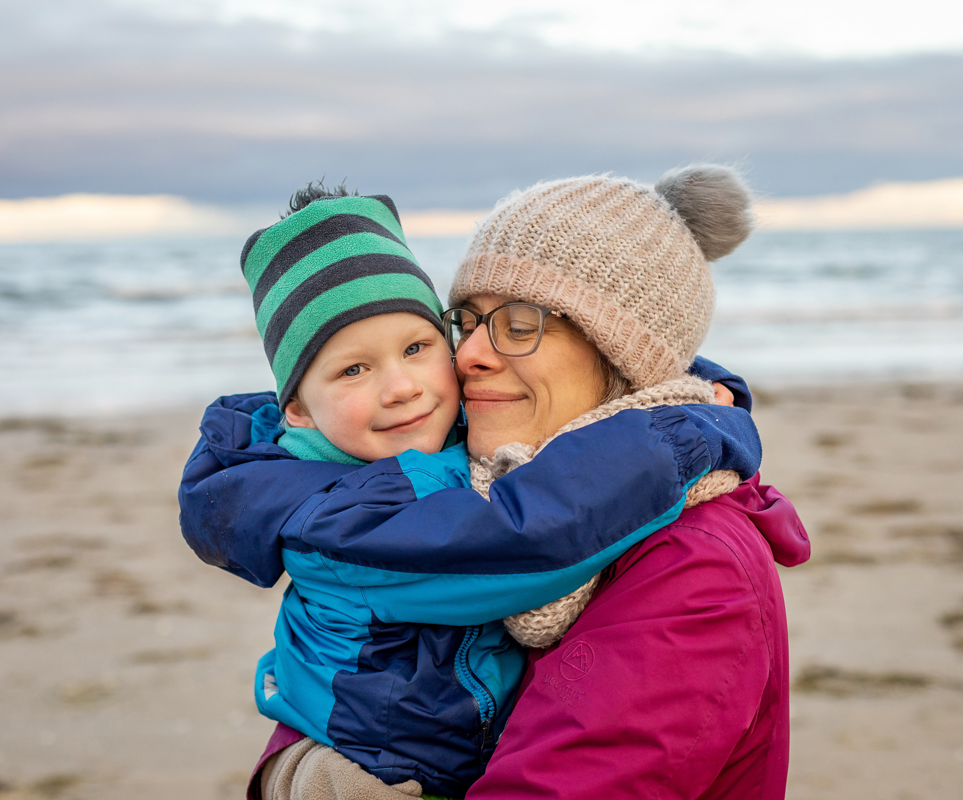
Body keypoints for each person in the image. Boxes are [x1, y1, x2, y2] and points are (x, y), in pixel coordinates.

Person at [179, 181, 766, 798]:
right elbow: (531, 533)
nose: (469, 358)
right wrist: (694, 428)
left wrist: (698, 401)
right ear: (297, 407)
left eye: (519, 325)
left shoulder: (695, 571)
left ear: (625, 352)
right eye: (468, 322)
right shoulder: (352, 502)